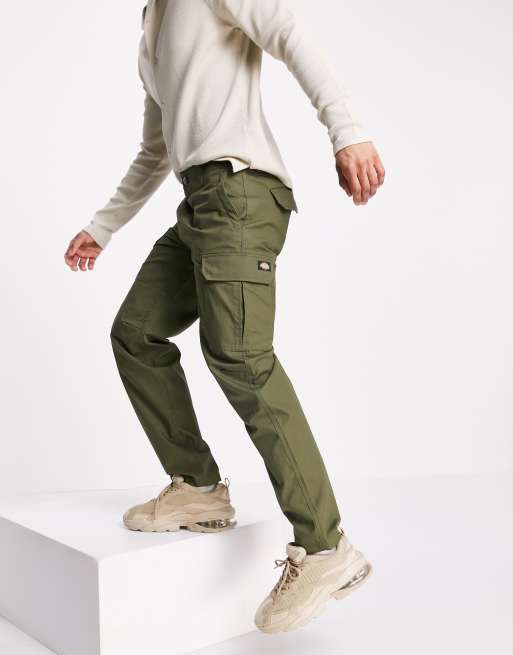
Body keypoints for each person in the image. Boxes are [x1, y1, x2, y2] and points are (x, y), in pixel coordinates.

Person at [64, 0, 385, 634]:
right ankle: (199, 489)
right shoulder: (151, 31)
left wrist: (346, 130)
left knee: (240, 357)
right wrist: (103, 227)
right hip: (200, 204)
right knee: (137, 332)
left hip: (240, 192)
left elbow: (288, 31)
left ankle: (326, 547)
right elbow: (156, 148)